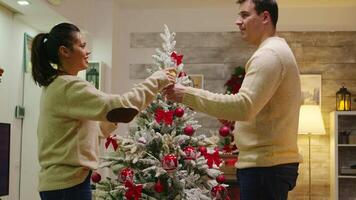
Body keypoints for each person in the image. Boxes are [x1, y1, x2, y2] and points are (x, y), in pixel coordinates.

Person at [164, 0, 302, 199]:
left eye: (245, 15)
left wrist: (186, 94)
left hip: (264, 168)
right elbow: (258, 109)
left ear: (265, 17)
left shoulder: (269, 55)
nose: (238, 21)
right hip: (268, 167)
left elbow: (244, 106)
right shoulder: (275, 51)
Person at [31, 22, 176, 200]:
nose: (87, 51)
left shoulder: (57, 85)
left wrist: (111, 119)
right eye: (82, 46)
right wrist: (156, 80)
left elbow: (86, 133)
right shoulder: (68, 86)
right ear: (64, 51)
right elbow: (123, 108)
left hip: (63, 184)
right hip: (68, 186)